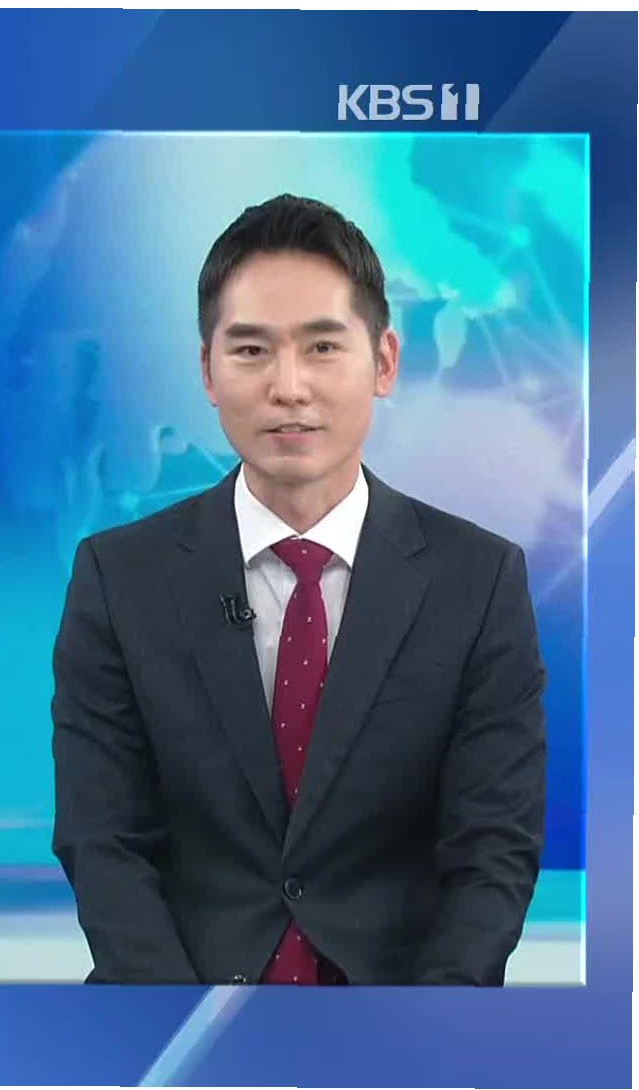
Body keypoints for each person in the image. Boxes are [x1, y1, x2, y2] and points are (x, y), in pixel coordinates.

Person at [49, 194, 546, 986]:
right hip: (173, 1018)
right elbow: (103, 839)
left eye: (322, 347)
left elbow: (494, 849)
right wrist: (182, 1032)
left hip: (397, 1021)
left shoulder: (479, 582)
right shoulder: (119, 578)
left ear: (384, 362)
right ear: (207, 371)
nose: (288, 386)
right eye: (251, 350)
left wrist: (424, 1030)